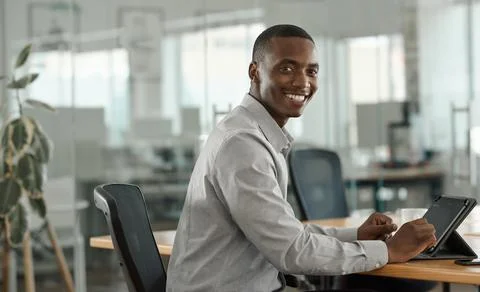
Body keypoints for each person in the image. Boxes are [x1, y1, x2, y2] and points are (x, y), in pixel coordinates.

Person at [166, 24, 436, 292]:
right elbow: (292, 251)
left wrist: (356, 236)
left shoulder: (254, 134)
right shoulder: (242, 144)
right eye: (286, 68)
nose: (302, 81)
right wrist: (388, 250)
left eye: (311, 71)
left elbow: (288, 234)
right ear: (254, 72)